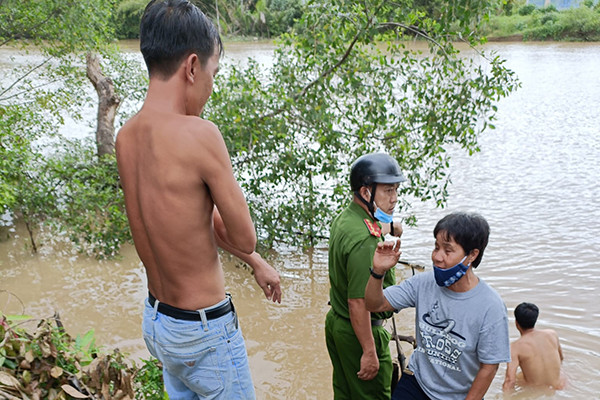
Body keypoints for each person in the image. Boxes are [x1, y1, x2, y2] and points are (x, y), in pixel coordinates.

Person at [115, 1, 281, 398]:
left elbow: (183, 220)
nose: (210, 86)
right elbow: (245, 237)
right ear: (192, 67)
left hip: (159, 323)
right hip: (204, 334)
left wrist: (255, 264)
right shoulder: (200, 134)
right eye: (213, 73)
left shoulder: (126, 137)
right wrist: (251, 252)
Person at [365, 212, 511, 400]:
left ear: (472, 254)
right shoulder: (423, 283)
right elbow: (374, 304)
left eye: (448, 251)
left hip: (459, 395)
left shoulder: (491, 306)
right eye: (436, 247)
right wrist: (378, 271)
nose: (437, 257)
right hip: (417, 383)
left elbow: (489, 366)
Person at [325, 153, 406, 399]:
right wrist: (369, 351)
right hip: (360, 332)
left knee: (345, 393)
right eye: (388, 191)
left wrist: (390, 227)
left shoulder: (346, 219)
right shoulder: (365, 242)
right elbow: (358, 302)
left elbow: (368, 228)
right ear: (366, 192)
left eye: (396, 191)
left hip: (338, 324)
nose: (394, 199)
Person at [502, 302, 566, 391]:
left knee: (518, 378)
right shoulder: (552, 334)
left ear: (516, 323)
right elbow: (561, 358)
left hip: (536, 391)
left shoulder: (515, 348)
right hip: (559, 386)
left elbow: (510, 381)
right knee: (520, 376)